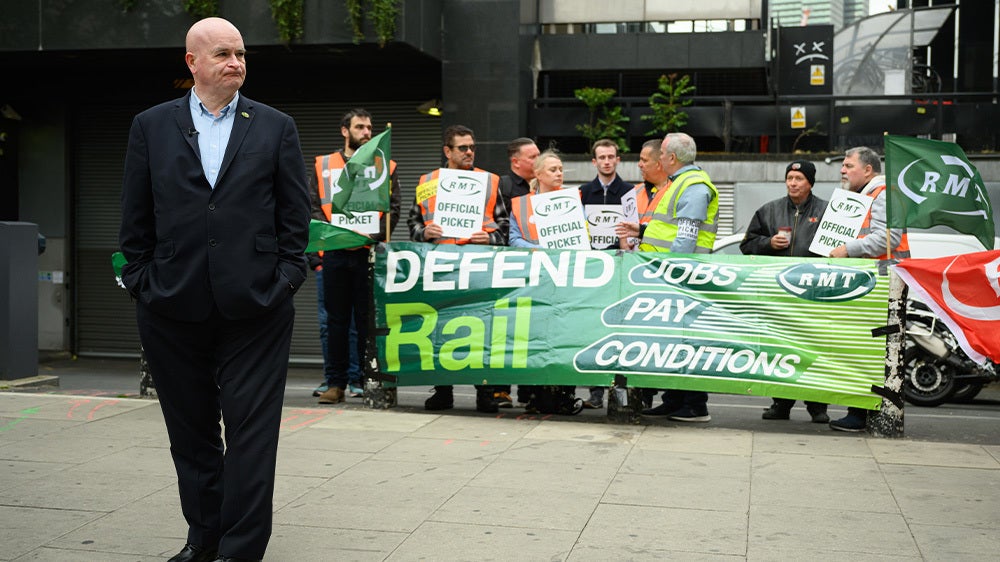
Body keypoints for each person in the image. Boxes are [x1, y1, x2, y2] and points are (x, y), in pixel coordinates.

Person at [118, 17, 309, 562]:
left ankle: (239, 551)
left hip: (257, 309)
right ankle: (202, 541)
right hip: (171, 306)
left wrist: (287, 278)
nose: (236, 63)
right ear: (192, 62)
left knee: (252, 435)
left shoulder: (275, 126)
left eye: (242, 54)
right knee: (191, 433)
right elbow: (136, 217)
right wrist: (140, 280)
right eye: (223, 53)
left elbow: (296, 217)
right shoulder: (150, 126)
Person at [407, 124, 509, 413]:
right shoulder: (428, 181)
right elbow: (413, 222)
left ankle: (485, 391)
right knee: (439, 329)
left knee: (481, 329)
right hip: (440, 267)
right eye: (462, 147)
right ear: (447, 151)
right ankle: (443, 391)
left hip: (478, 267)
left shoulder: (489, 182)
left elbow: (504, 227)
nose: (469, 152)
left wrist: (489, 238)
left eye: (472, 147)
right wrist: (423, 233)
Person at [312, 108, 401, 405]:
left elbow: (393, 208)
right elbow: (312, 206)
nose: (366, 133)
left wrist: (372, 237)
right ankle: (335, 383)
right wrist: (325, 250)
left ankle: (364, 382)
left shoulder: (384, 164)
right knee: (335, 323)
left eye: (369, 128)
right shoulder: (323, 165)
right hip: (335, 254)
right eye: (360, 127)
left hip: (367, 254)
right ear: (344, 130)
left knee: (366, 322)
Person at [628, 132, 719, 423]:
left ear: (671, 158)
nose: (659, 159)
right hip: (669, 274)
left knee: (687, 340)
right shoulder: (680, 183)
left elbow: (686, 236)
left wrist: (670, 273)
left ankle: (694, 404)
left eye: (662, 154)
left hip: (680, 277)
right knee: (673, 341)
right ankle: (674, 399)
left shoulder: (692, 185)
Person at [739, 159, 830, 424]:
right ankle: (781, 403)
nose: (793, 182)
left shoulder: (827, 212)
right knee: (781, 349)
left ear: (810, 183)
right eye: (790, 177)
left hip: (815, 296)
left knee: (814, 350)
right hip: (778, 294)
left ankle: (817, 405)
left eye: (799, 178)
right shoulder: (768, 210)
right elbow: (747, 246)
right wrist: (768, 243)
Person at [828, 146, 910, 432]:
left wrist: (847, 250)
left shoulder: (883, 194)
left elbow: (888, 239)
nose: (843, 170)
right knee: (863, 349)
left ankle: (862, 413)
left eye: (849, 165)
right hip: (871, 284)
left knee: (869, 351)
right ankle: (861, 411)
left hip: (882, 285)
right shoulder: (865, 196)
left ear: (868, 169)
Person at [577, 139, 634, 409]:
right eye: (602, 157)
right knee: (592, 330)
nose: (607, 161)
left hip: (620, 269)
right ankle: (596, 392)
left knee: (619, 331)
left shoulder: (630, 192)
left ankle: (621, 391)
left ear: (618, 160)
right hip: (591, 270)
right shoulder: (582, 192)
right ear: (594, 161)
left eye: (611, 157)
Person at [497, 137, 540, 407]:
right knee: (507, 330)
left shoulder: (543, 188)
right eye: (532, 156)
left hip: (538, 270)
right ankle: (501, 390)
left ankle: (528, 390)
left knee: (531, 330)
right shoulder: (503, 186)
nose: (538, 160)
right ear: (516, 161)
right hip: (509, 268)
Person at [616, 139, 671, 252]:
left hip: (660, 263)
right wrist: (623, 244)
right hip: (634, 261)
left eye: (644, 160)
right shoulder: (634, 192)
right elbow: (623, 229)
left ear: (659, 164)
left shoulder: (675, 192)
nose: (639, 164)